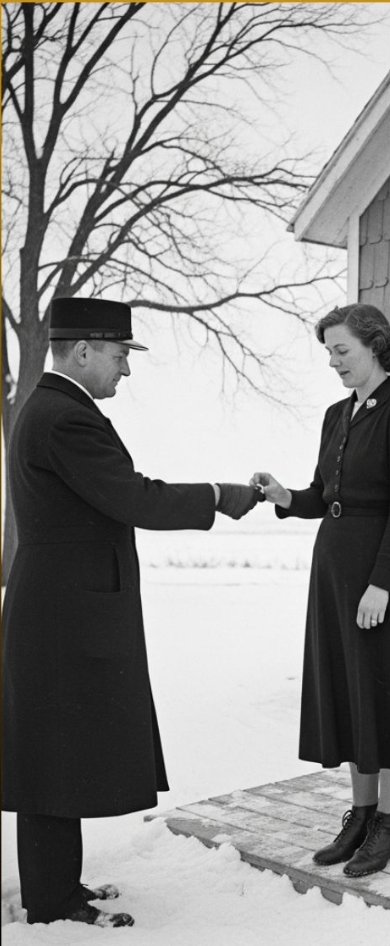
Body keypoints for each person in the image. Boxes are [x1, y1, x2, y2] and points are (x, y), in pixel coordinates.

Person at [2, 298, 261, 928]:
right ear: (82, 350)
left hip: (62, 606)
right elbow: (132, 497)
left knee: (57, 751)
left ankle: (58, 886)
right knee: (52, 756)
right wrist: (219, 496)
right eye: (119, 355)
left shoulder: (54, 409)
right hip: (64, 613)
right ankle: (52, 903)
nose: (125, 368)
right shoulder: (64, 417)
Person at [252, 303, 390, 878]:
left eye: (342, 351)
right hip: (335, 571)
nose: (333, 362)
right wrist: (285, 496)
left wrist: (381, 584)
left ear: (375, 346)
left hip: (381, 575)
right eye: (329, 353)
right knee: (353, 692)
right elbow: (323, 495)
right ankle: (362, 816)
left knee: (386, 695)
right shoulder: (336, 414)